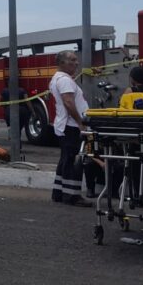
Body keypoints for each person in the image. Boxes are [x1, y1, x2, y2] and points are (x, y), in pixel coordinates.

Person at [49, 50, 90, 206]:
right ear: (62, 63)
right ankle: (72, 196)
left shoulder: (58, 78)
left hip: (64, 125)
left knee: (65, 159)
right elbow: (68, 102)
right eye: (72, 60)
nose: (76, 63)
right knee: (71, 161)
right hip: (70, 126)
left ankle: (58, 192)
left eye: (76, 59)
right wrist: (80, 122)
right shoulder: (64, 80)